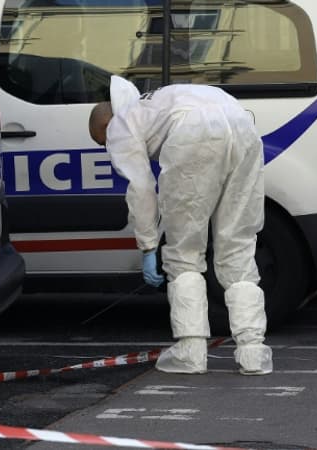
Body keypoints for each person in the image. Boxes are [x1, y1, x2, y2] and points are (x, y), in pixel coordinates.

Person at [89, 76, 272, 375]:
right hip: (242, 126)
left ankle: (191, 352)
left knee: (184, 253)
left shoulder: (120, 123)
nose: (106, 148)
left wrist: (148, 245)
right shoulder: (158, 100)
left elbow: (141, 188)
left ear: (104, 127)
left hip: (194, 135)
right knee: (238, 247)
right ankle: (253, 351)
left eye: (102, 142)